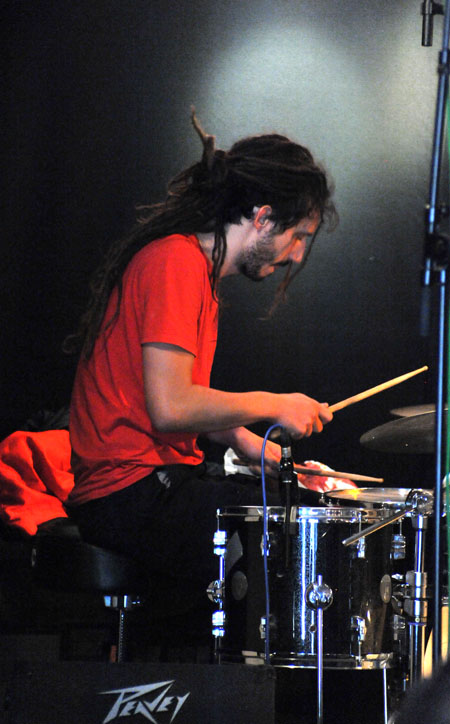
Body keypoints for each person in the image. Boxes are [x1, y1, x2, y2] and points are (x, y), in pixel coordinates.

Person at [65, 112, 337, 637]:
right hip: (128, 492)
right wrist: (275, 403)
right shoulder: (176, 263)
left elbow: (182, 402)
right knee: (298, 521)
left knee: (293, 496)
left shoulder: (196, 272)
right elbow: (171, 408)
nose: (298, 254)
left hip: (150, 483)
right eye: (298, 235)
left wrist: (255, 447)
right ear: (263, 218)